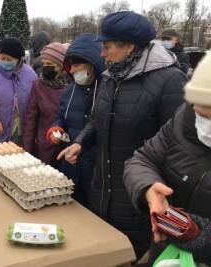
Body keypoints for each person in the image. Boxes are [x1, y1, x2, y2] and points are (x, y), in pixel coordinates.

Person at [57, 11, 187, 259]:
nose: (102, 54)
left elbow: (177, 146)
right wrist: (81, 143)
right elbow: (98, 119)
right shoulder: (110, 76)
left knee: (129, 256)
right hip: (101, 193)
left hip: (136, 202)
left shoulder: (169, 80)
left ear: (129, 47)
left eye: (106, 47)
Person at [123, 53, 211, 265]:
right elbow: (142, 159)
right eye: (200, 114)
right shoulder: (184, 120)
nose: (204, 127)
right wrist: (149, 189)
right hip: (167, 252)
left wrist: (206, 239)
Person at [47, 33, 105, 206]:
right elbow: (61, 117)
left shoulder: (107, 91)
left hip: (96, 170)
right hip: (70, 165)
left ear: (92, 64)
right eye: (70, 66)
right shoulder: (69, 91)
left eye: (77, 65)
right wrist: (56, 130)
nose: (71, 71)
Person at [22, 42, 69, 167]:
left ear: (61, 66)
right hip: (44, 149)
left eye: (50, 64)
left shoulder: (73, 86)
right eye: (44, 64)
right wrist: (27, 151)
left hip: (67, 149)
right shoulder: (38, 85)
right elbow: (31, 121)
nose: (45, 67)